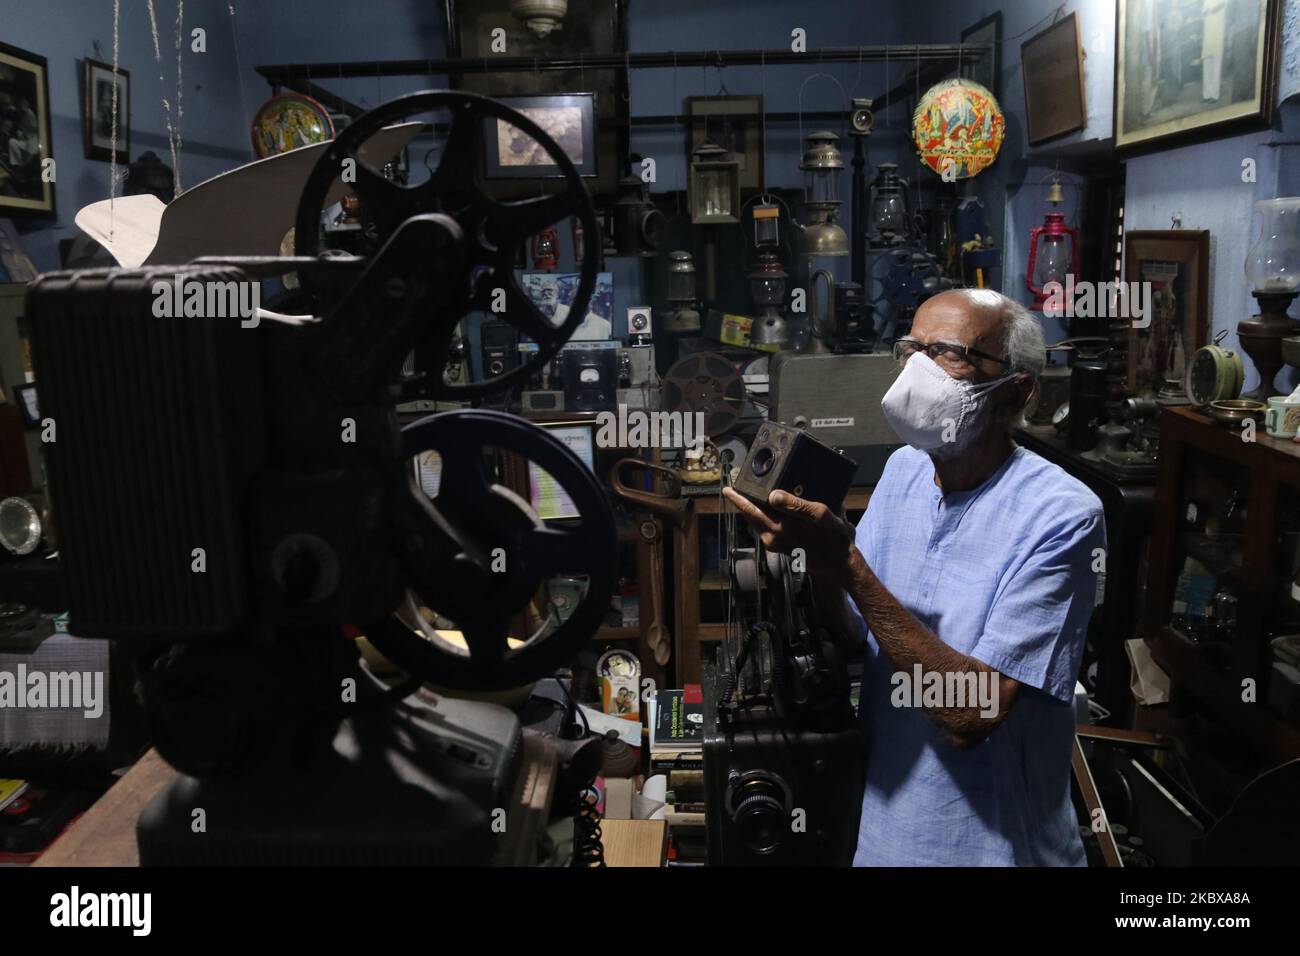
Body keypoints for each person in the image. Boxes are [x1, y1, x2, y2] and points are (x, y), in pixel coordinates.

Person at [724, 288, 1105, 866]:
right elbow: (856, 634)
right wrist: (815, 559)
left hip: (991, 850)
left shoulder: (1062, 516)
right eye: (911, 349)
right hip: (886, 835)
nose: (919, 371)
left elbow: (972, 714)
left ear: (1017, 390)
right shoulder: (904, 469)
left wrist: (846, 563)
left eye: (949, 353)